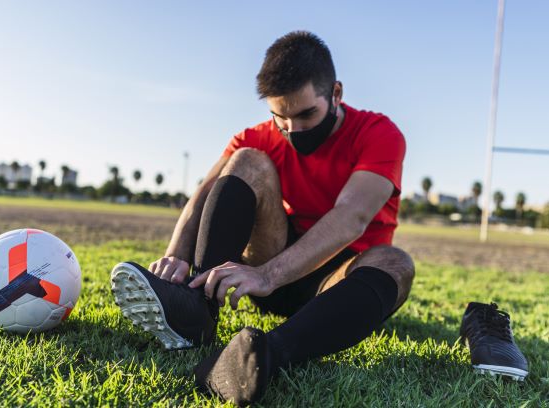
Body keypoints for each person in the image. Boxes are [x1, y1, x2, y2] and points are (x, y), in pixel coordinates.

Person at [111, 31, 414, 406]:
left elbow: (351, 216)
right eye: (280, 117)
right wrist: (176, 256)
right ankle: (198, 310)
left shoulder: (378, 134)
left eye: (306, 114)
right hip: (271, 265)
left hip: (338, 288)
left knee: (396, 262)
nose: (293, 130)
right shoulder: (260, 136)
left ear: (336, 94)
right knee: (247, 160)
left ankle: (265, 357)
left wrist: (267, 275)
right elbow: (202, 196)